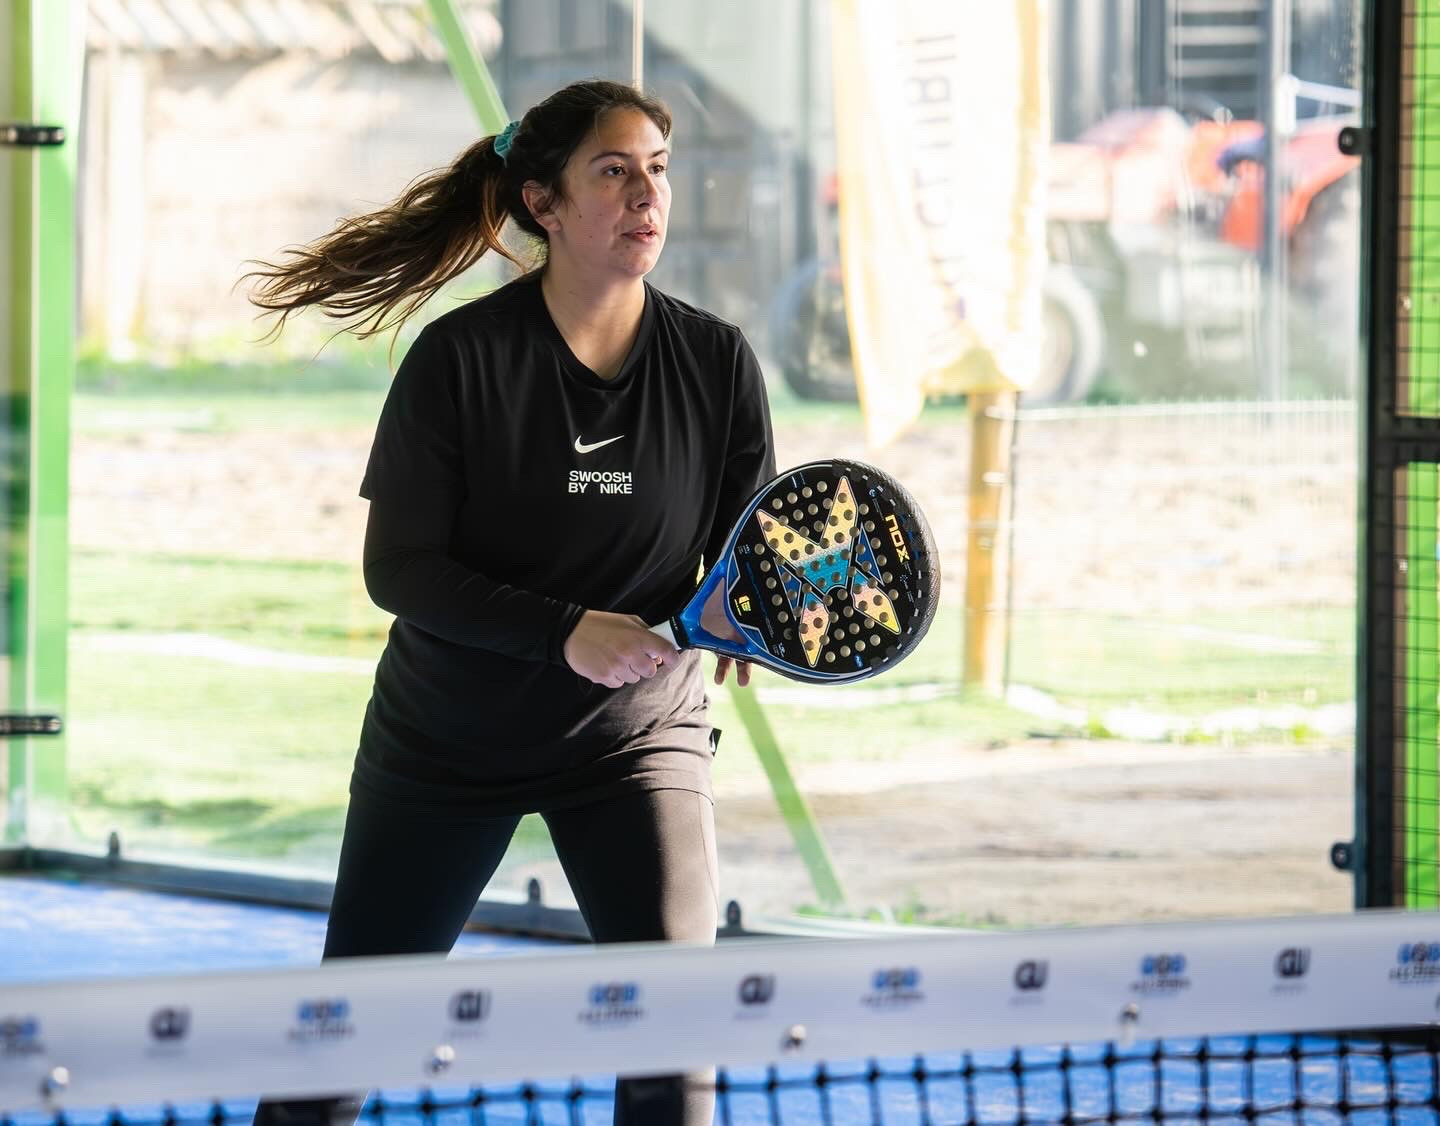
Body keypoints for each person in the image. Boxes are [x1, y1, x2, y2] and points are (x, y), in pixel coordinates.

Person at [243, 79, 775, 1125]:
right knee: (336, 1055)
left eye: (657, 170)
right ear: (544, 202)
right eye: (613, 172)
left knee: (677, 1046)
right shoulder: (460, 359)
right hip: (446, 743)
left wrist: (750, 616)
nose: (646, 195)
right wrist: (563, 631)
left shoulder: (717, 362)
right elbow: (399, 569)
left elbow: (745, 552)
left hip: (636, 740)